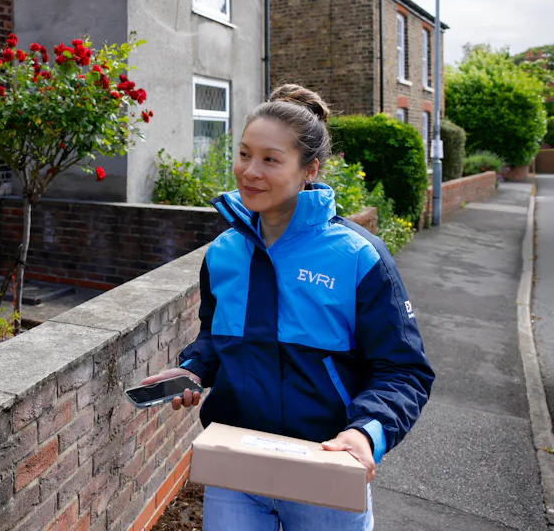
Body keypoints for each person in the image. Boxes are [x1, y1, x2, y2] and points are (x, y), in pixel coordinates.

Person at [143, 84, 434, 530]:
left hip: (325, 470)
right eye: (244, 154)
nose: (249, 171)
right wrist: (193, 368)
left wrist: (365, 432)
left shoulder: (358, 257)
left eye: (270, 159)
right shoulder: (223, 253)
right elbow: (215, 338)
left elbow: (403, 371)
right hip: (235, 468)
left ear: (309, 170)